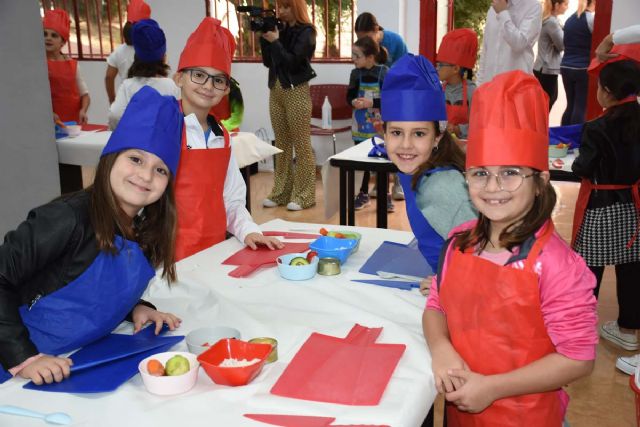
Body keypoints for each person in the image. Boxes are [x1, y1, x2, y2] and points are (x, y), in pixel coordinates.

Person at [424, 71, 597, 425]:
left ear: (540, 182)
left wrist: (492, 387)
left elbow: (578, 358)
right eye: (480, 173)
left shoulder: (557, 265)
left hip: (525, 415)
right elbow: (436, 306)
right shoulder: (459, 241)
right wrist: (440, 348)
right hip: (463, 413)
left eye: (511, 172)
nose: (494, 186)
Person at [0, 86, 183, 385]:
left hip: (74, 357)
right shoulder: (66, 218)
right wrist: (25, 358)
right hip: (13, 365)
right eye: (135, 159)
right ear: (110, 158)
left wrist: (136, 308)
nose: (146, 176)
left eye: (160, 170)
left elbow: (100, 288)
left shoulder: (148, 229)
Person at [173, 17, 283, 261]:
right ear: (179, 78)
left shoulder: (221, 136)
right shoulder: (165, 126)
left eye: (218, 80)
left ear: (225, 90)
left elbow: (232, 199)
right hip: (168, 254)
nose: (208, 85)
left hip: (213, 249)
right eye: (199, 75)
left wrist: (249, 231)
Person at [381, 54, 476, 295]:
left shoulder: (442, 187)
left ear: (438, 137)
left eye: (419, 134)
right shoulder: (418, 170)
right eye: (396, 133)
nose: (405, 145)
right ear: (384, 135)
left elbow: (486, 259)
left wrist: (448, 283)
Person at [571, 48, 640, 376]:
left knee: (589, 269)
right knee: (631, 270)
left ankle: (581, 330)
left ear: (608, 93)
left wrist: (575, 160)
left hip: (601, 206)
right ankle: (628, 331)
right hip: (634, 206)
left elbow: (583, 166)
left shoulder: (596, 127)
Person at [260, 0, 318, 211]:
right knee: (281, 143)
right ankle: (281, 192)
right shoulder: (279, 29)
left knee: (301, 144)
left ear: (296, 8)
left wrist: (276, 41)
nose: (281, 11)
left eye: (286, 6)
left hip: (296, 91)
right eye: (279, 7)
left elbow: (293, 62)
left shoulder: (307, 32)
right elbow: (268, 62)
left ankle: (304, 195)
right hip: (275, 90)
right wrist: (266, 39)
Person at [354, 12, 409, 202]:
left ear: (377, 31)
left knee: (397, 142)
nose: (364, 42)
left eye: (366, 38)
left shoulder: (395, 41)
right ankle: (380, 185)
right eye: (360, 39)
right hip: (375, 106)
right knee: (379, 143)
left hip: (395, 97)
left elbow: (406, 70)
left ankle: (399, 184)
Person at [108, 19, 180, 129]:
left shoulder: (127, 86)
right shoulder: (171, 86)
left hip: (134, 143)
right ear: (164, 58)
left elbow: (115, 115)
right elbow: (180, 118)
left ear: (136, 58)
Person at [346, 36, 389, 211]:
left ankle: (384, 194)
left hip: (378, 126)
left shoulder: (384, 72)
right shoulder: (355, 73)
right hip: (360, 124)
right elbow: (349, 96)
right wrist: (354, 101)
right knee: (362, 159)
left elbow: (389, 99)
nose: (353, 59)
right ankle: (363, 193)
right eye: (353, 55)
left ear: (370, 57)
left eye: (357, 56)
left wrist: (372, 103)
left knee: (381, 159)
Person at [477, 0, 542, 85]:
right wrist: (479, 84)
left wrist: (503, 13)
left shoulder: (533, 6)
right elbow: (486, 49)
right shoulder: (493, 9)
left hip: (515, 88)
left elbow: (519, 43)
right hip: (489, 87)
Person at [43, 9, 90, 124]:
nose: (48, 38)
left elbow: (85, 95)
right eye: (44, 34)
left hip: (73, 123)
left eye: (54, 35)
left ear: (63, 42)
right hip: (48, 123)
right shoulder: (38, 64)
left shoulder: (73, 65)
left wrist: (83, 111)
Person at [105, 0, 152, 105]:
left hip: (126, 101)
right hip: (147, 101)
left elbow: (109, 77)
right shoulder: (151, 49)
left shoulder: (118, 51)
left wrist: (112, 100)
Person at [435, 28, 478, 141]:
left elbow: (479, 123)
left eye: (440, 65)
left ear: (455, 68)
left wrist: (457, 129)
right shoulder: (438, 90)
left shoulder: (472, 92)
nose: (437, 68)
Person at [560, 0, 596, 125]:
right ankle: (575, 139)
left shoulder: (569, 19)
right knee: (580, 106)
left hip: (565, 66)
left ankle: (564, 138)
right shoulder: (590, 19)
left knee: (570, 105)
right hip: (582, 67)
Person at [533, 0, 569, 110]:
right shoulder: (552, 23)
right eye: (565, 4)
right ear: (557, 5)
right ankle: (540, 126)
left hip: (542, 67)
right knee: (547, 102)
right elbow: (562, 44)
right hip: (546, 68)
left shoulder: (548, 20)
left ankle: (539, 126)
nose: (567, 7)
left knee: (544, 102)